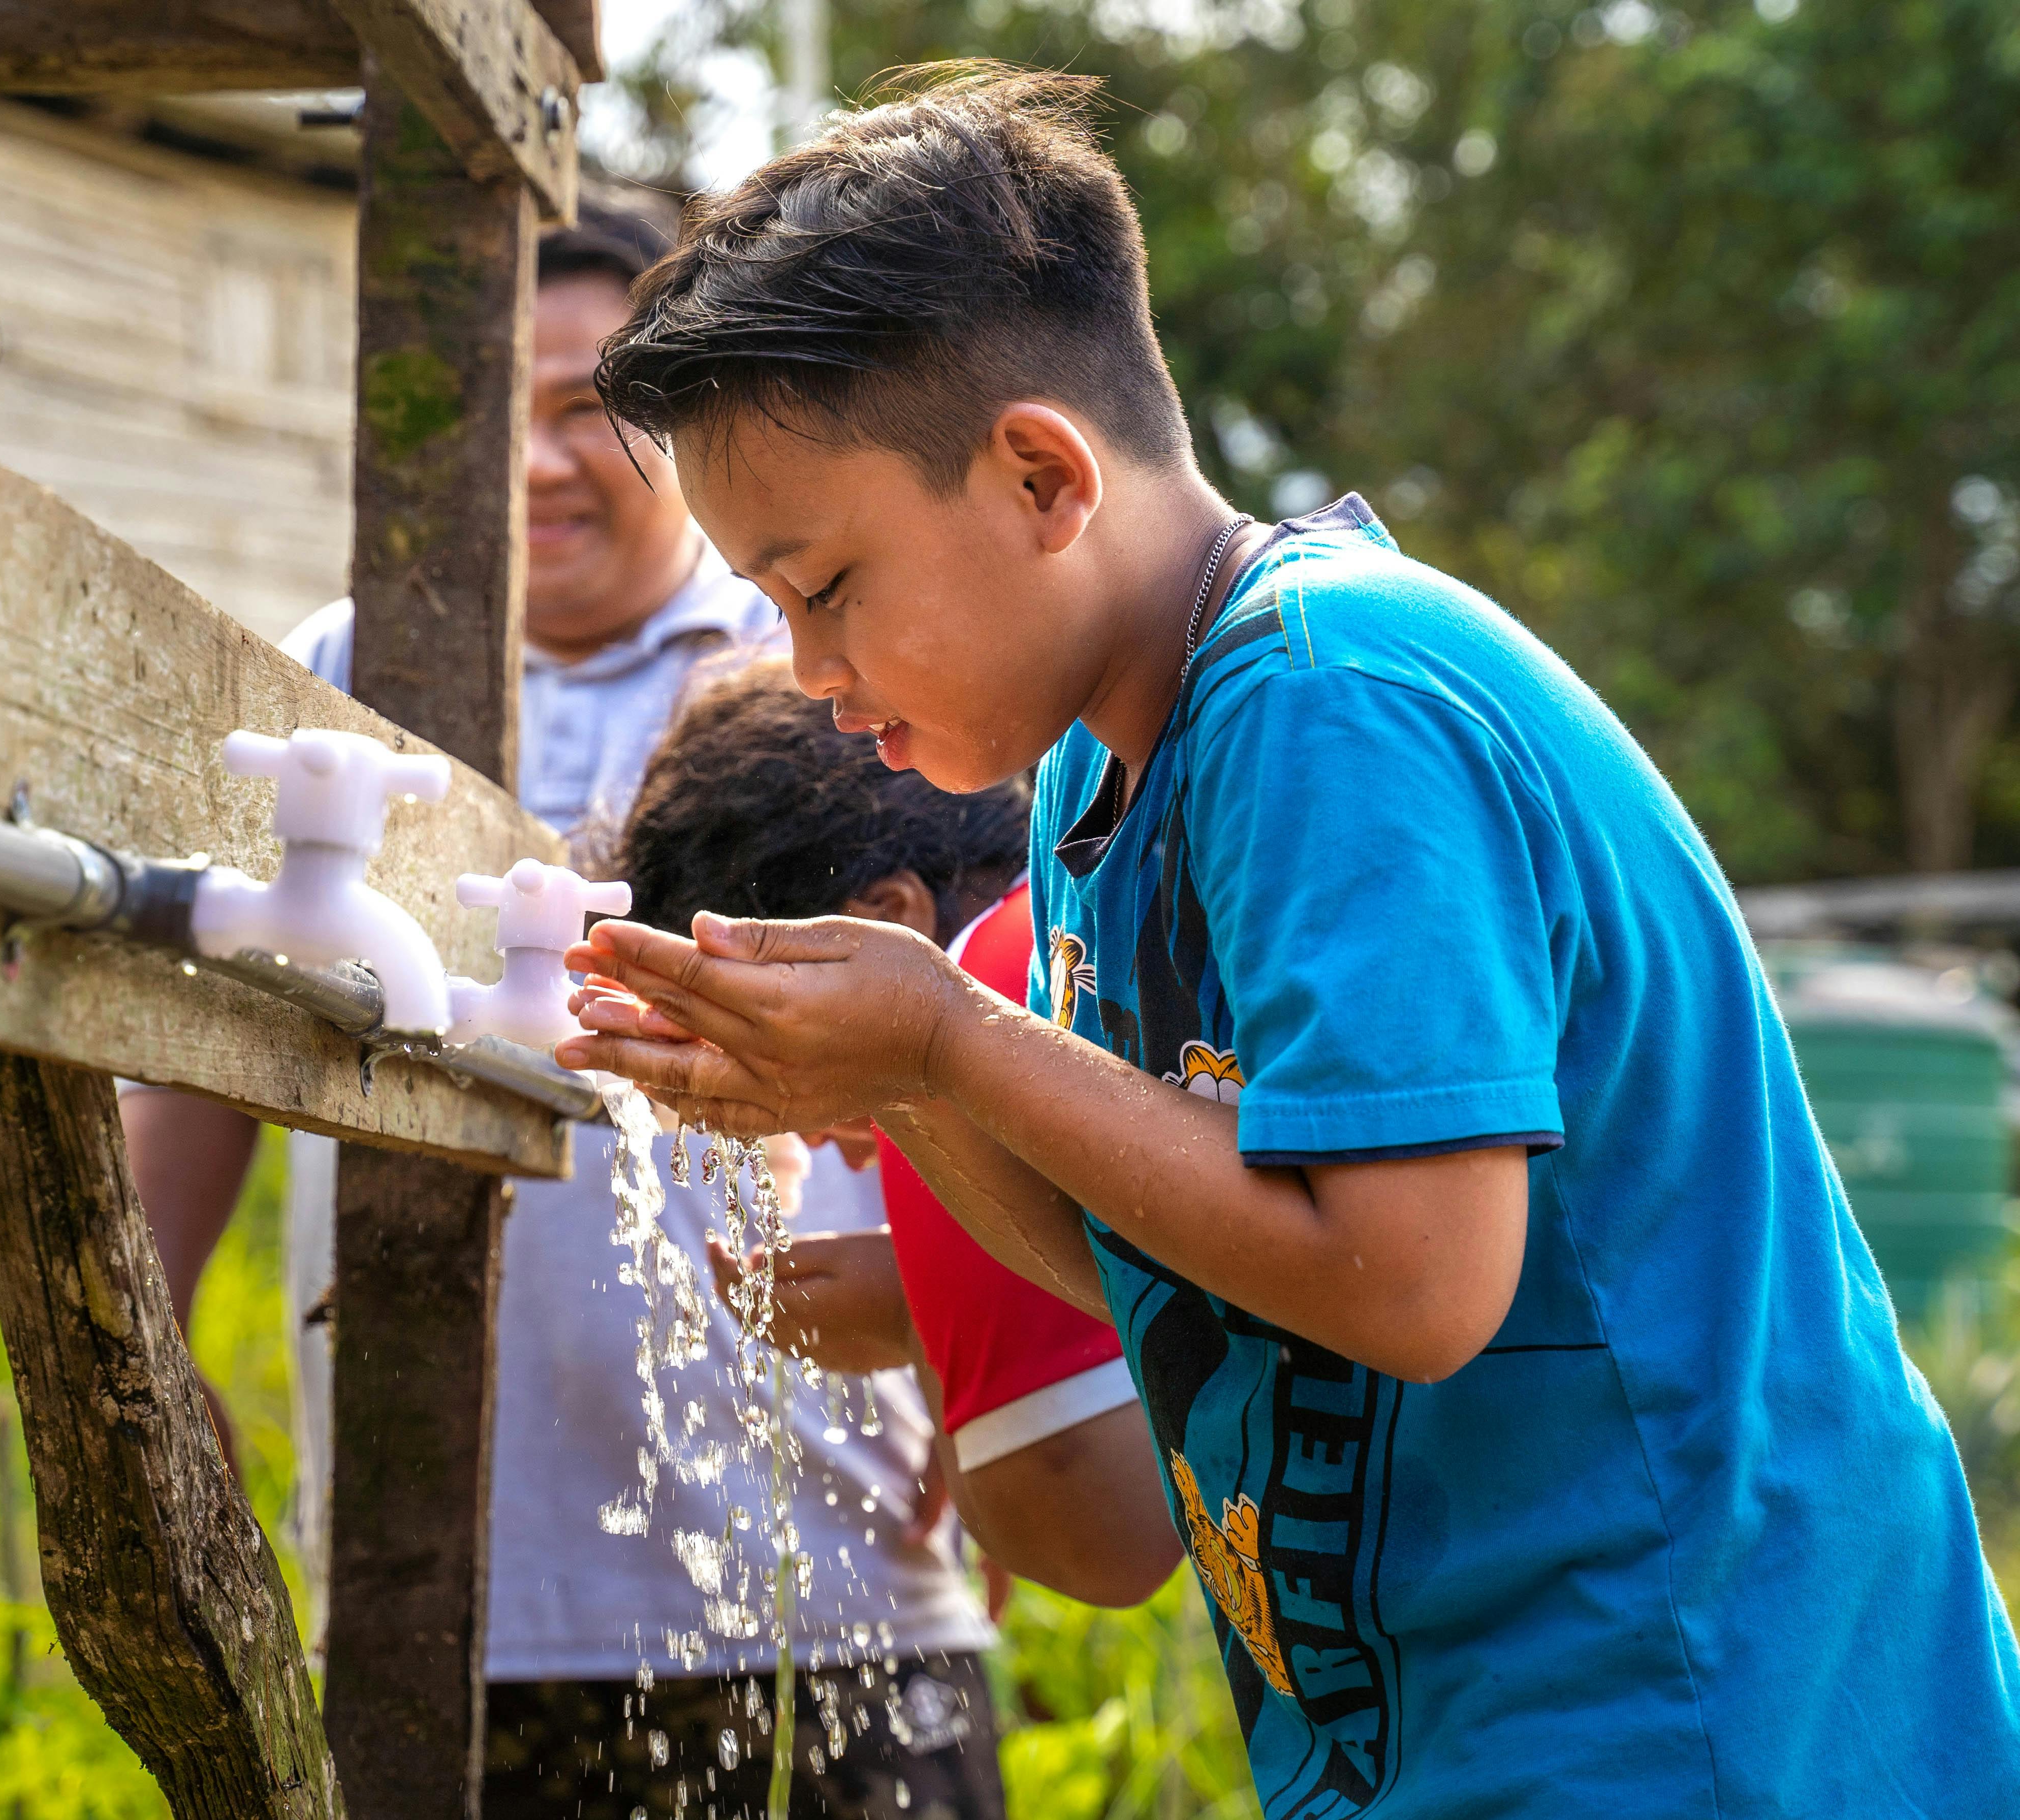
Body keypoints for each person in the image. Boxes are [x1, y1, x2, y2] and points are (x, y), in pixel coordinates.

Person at [557, 68, 2020, 1819]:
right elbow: (1148, 1260)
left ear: (1038, 474)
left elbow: (1410, 1282)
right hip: (1450, 1733)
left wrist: (952, 1039)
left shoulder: (1330, 704)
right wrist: (902, 1089)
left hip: (1686, 1719)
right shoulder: (1100, 766)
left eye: (825, 586)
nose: (805, 667)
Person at [118, 199, 1007, 1820]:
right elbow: (200, 1043)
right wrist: (146, 1359)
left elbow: (993, 988)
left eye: (581, 415)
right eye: (487, 416)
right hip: (449, 1576)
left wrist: (1003, 1348)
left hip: (824, 1561)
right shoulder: (347, 677)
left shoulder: (818, 658)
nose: (532, 464)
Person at [614, 661, 1181, 1609]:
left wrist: (924, 1314)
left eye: (772, 1056)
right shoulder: (1090, 914)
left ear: (888, 924)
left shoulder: (967, 1010)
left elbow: (1100, 1542)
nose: (831, 1142)